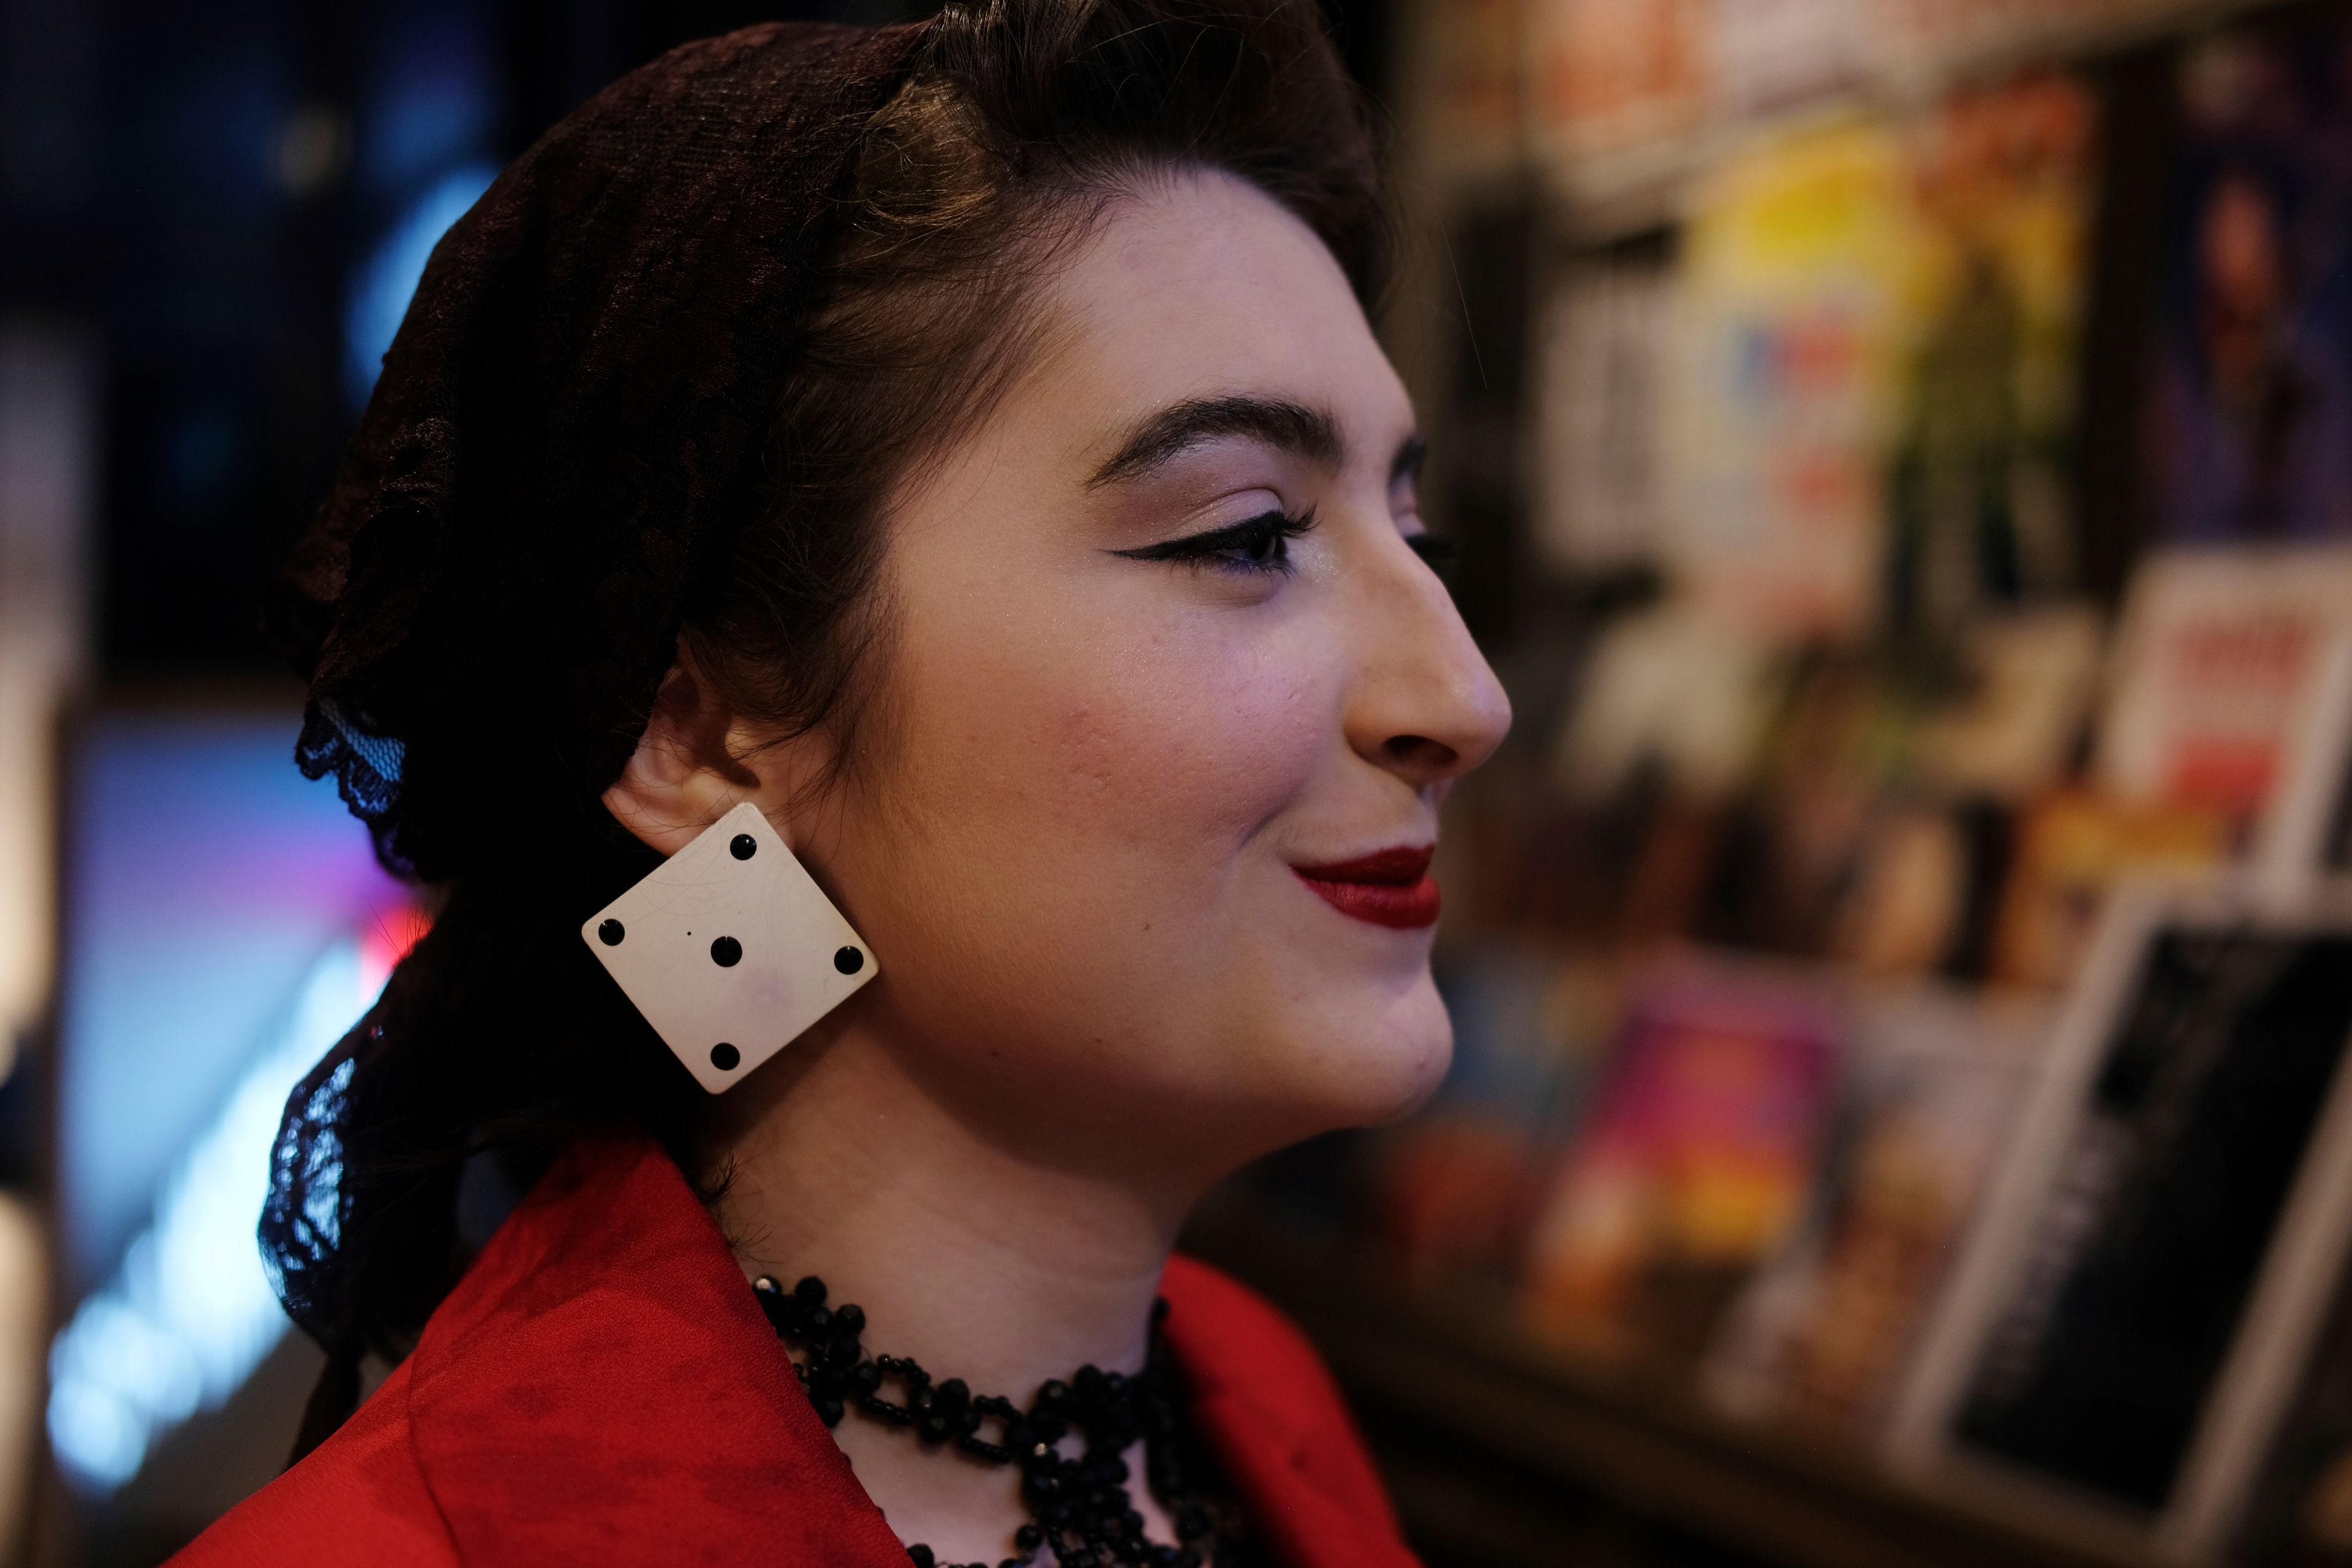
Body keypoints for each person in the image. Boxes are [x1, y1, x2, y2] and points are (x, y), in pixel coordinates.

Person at [170, 3, 1509, 1564]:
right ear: (697, 732)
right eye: (1243, 533)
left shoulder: (1263, 1405)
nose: (1462, 697)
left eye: (1419, 539)